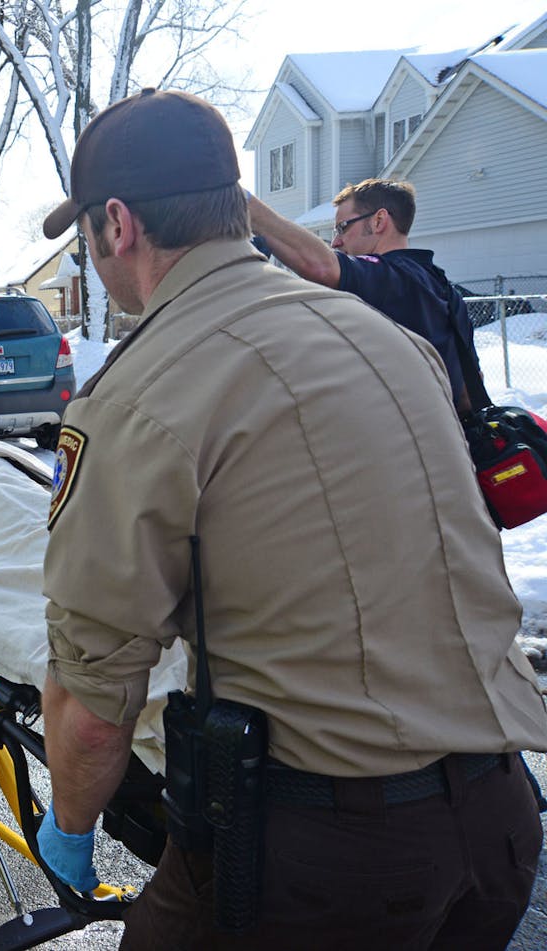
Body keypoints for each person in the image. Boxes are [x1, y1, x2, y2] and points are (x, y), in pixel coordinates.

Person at [36, 88, 547, 949]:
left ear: (116, 224)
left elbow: (92, 709)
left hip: (327, 866)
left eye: (87, 234)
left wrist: (72, 825)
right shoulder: (387, 339)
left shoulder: (139, 395)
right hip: (499, 823)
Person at [247, 179, 486, 413]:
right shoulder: (442, 288)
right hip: (447, 436)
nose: (336, 241)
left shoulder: (392, 277)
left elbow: (322, 267)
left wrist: (245, 205)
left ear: (379, 220)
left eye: (343, 227)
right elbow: (468, 391)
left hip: (401, 439)